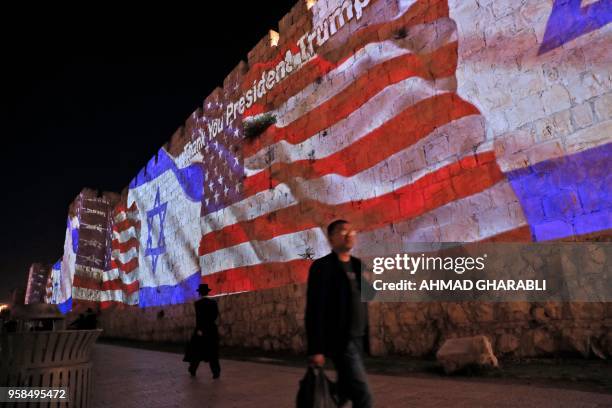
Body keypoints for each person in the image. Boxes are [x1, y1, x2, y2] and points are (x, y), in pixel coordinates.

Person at [305, 219, 373, 408]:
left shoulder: (357, 265)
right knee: (364, 395)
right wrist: (316, 349)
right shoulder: (323, 268)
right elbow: (314, 310)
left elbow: (368, 294)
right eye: (343, 232)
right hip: (341, 341)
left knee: (343, 392)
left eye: (352, 231)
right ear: (331, 238)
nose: (349, 235)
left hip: (359, 339)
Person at [184, 283, 221, 379]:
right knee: (213, 352)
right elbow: (215, 316)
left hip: (202, 329)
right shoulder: (214, 303)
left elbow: (199, 318)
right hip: (212, 329)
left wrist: (199, 329)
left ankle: (193, 369)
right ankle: (216, 372)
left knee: (197, 351)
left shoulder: (198, 304)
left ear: (199, 293)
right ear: (207, 292)